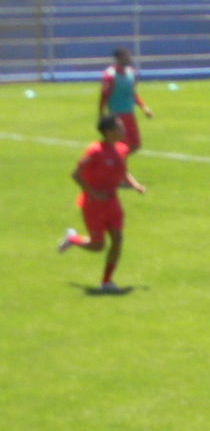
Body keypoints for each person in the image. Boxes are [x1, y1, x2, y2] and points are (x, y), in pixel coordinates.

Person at [58, 115, 145, 294]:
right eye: (120, 128)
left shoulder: (122, 149)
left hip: (112, 201)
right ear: (109, 132)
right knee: (98, 246)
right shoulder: (94, 151)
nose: (124, 130)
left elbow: (123, 172)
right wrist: (93, 192)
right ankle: (73, 239)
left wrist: (135, 184)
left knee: (118, 239)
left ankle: (106, 282)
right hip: (93, 204)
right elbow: (76, 174)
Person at [97, 48, 152, 153]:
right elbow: (104, 96)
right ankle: (116, 164)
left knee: (135, 145)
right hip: (117, 116)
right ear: (118, 58)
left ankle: (117, 163)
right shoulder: (110, 75)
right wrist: (101, 114)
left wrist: (144, 108)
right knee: (121, 145)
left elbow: (133, 93)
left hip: (129, 114)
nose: (129, 59)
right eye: (126, 57)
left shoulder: (131, 72)